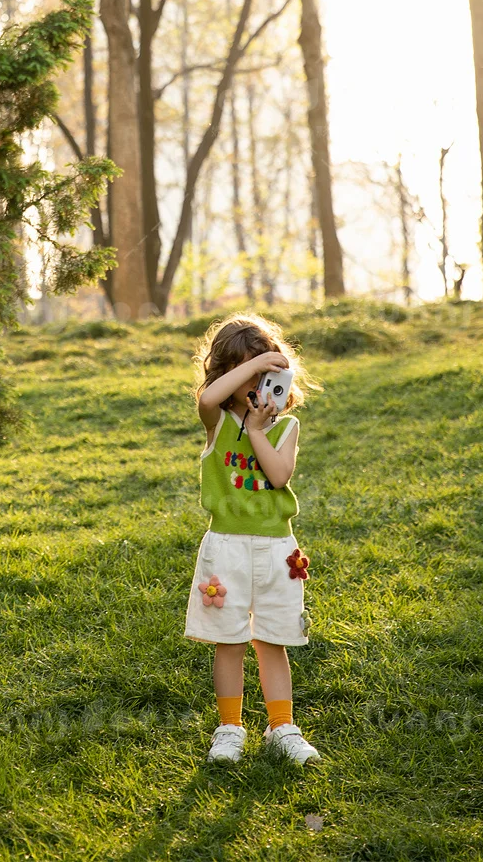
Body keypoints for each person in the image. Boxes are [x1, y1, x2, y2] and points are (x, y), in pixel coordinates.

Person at [184, 313, 323, 765]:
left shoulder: (286, 428)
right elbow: (210, 396)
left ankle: (281, 726)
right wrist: (257, 360)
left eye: (265, 377)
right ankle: (230, 728)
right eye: (246, 376)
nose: (255, 388)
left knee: (272, 639)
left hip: (276, 549)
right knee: (230, 639)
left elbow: (279, 475)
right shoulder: (217, 422)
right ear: (228, 376)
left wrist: (259, 430)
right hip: (226, 547)